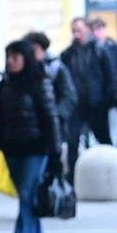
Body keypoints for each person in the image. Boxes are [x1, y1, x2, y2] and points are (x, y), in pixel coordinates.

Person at [0, 40, 60, 233]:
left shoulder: (40, 82)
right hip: (12, 149)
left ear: (26, 58)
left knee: (28, 193)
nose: (11, 61)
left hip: (35, 148)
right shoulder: (5, 85)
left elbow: (51, 119)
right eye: (8, 56)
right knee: (25, 195)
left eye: (16, 57)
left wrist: (56, 151)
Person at [60, 17, 113, 179]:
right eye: (74, 31)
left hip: (96, 104)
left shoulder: (100, 51)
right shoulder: (67, 54)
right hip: (76, 105)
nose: (76, 34)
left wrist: (107, 101)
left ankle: (110, 174)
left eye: (79, 30)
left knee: (104, 140)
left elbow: (109, 77)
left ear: (87, 30)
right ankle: (72, 179)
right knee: (72, 142)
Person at [24, 31, 79, 171]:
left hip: (52, 128)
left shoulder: (56, 68)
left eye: (34, 49)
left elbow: (69, 96)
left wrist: (56, 115)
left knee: (51, 166)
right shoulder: (21, 70)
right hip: (28, 130)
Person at [90, 18, 117, 150]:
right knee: (95, 136)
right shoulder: (88, 51)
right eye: (95, 29)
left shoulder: (116, 50)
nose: (97, 33)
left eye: (100, 29)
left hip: (113, 99)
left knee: (113, 133)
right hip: (95, 101)